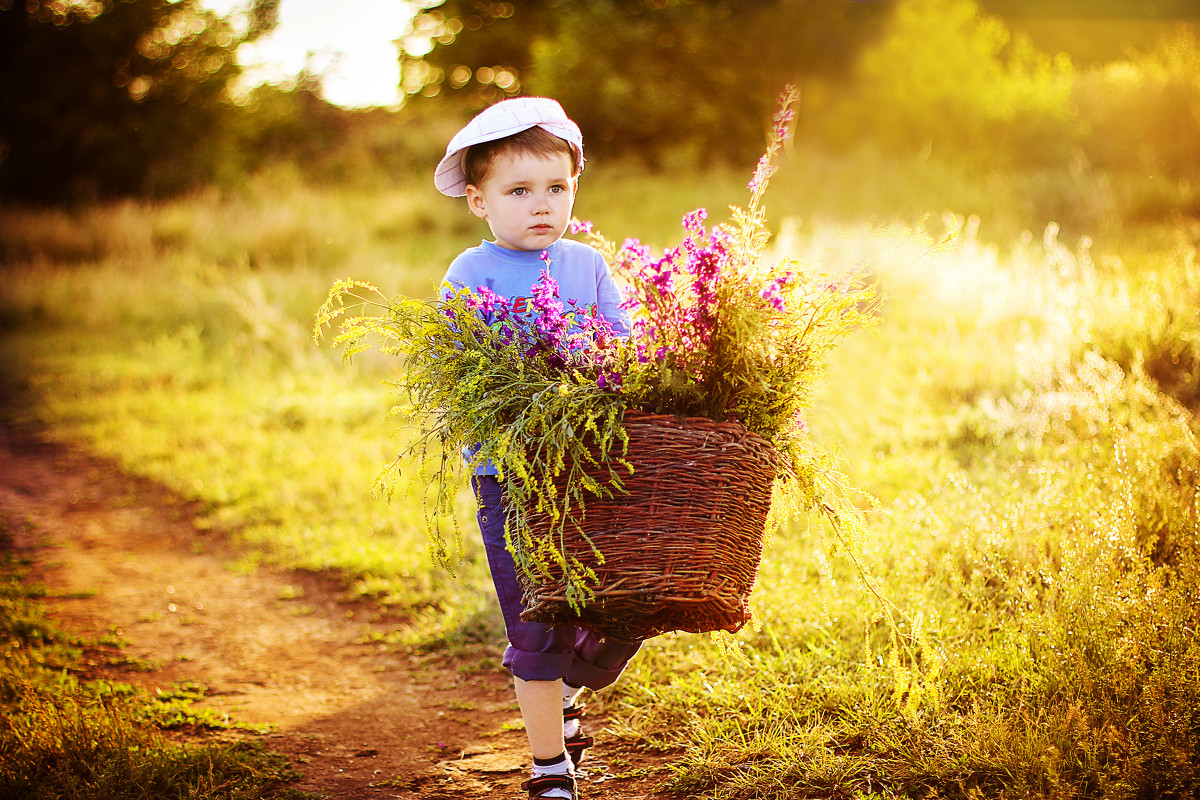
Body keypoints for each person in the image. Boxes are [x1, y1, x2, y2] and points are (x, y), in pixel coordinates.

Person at [434, 96, 643, 800]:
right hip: (510, 472)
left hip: (594, 468)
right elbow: (457, 373)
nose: (540, 205)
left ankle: (569, 680)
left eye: (556, 187)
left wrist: (601, 363)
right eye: (518, 191)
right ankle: (551, 769)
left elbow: (628, 350)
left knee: (616, 611)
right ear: (479, 200)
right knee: (535, 623)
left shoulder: (587, 265)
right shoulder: (470, 274)